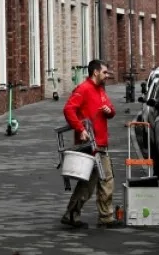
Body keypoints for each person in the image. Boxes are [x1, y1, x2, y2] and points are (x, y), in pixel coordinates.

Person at [61, 59, 117, 229]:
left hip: (99, 143)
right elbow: (68, 109)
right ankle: (101, 217)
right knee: (99, 181)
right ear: (96, 72)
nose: (107, 75)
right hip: (90, 144)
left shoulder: (100, 90)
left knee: (96, 181)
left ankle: (77, 214)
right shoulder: (84, 89)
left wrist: (110, 112)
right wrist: (80, 129)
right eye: (105, 72)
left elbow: (111, 109)